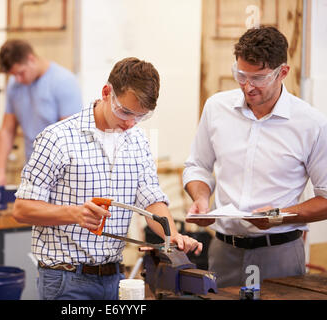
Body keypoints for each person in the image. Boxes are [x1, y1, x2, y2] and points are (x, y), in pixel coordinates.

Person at [12, 57, 203, 300]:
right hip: (66, 279)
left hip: (115, 279)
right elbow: (22, 209)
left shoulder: (138, 140)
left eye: (141, 116)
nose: (130, 123)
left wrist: (171, 235)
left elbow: (151, 200)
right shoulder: (57, 138)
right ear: (106, 92)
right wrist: (75, 214)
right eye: (124, 111)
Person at [183, 26, 327, 288]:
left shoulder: (312, 124)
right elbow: (198, 166)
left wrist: (280, 215)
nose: (248, 87)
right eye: (241, 75)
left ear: (282, 72)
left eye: (259, 78)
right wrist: (201, 198)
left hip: (279, 253)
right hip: (223, 250)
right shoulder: (217, 108)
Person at [0, 39, 82, 186]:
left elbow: (71, 138)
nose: (18, 79)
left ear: (31, 59)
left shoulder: (64, 82)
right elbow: (7, 131)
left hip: (61, 175)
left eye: (21, 73)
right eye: (14, 75)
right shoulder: (14, 85)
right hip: (32, 170)